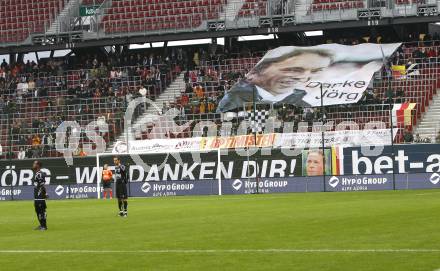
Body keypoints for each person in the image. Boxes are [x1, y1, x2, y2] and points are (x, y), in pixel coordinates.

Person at [217, 49, 333, 112]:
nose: (304, 78)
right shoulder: (234, 98)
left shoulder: (304, 99)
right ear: (263, 68)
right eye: (294, 69)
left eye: (315, 71)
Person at [32, 160, 48, 230]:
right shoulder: (36, 174)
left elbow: (42, 185)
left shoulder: (40, 174)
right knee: (37, 211)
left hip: (40, 196)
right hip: (36, 197)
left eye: (34, 164)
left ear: (38, 165)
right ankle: (41, 225)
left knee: (42, 211)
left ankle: (44, 226)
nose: (33, 165)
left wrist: (45, 193)